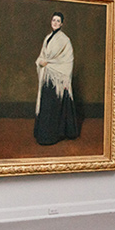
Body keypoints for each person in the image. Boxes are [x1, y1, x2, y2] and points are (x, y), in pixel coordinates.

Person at [34, 11, 80, 145]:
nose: (55, 22)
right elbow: (43, 55)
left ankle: (51, 136)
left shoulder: (64, 40)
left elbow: (67, 60)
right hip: (46, 76)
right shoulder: (48, 37)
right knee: (45, 105)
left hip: (57, 78)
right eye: (53, 20)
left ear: (62, 24)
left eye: (58, 21)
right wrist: (41, 62)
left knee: (53, 106)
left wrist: (49, 64)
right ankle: (43, 135)